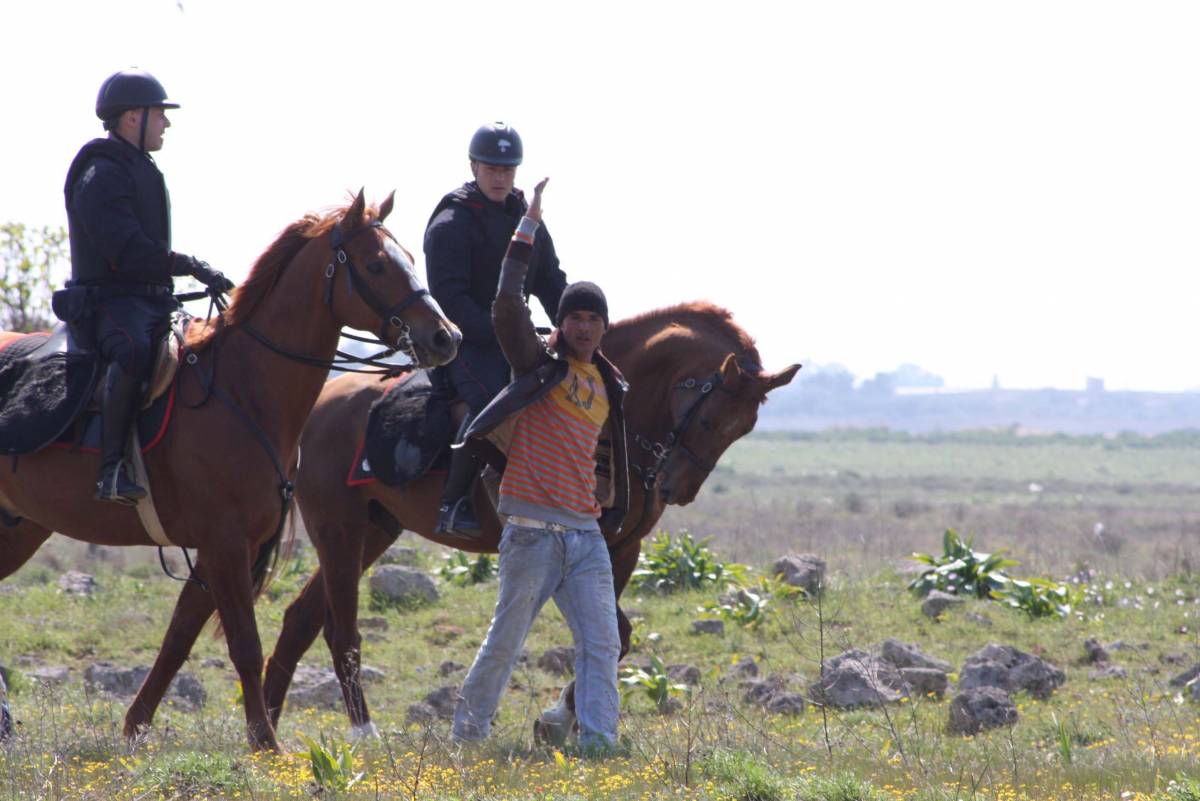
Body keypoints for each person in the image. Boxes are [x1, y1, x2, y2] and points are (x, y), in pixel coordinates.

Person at [451, 178, 629, 751]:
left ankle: (598, 746)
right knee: (506, 641)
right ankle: (467, 737)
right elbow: (506, 306)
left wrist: (607, 493)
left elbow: (607, 454)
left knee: (602, 644)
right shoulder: (537, 365)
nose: (582, 326)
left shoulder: (608, 385)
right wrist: (526, 229)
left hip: (584, 537)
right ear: (561, 324)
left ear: (603, 328)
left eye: (592, 319)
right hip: (529, 532)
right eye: (573, 317)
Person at [63, 68, 234, 504]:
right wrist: (189, 265)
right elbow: (127, 250)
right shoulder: (99, 172)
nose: (167, 123)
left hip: (148, 301)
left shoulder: (139, 167)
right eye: (160, 114)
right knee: (135, 351)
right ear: (132, 118)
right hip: (110, 306)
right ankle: (112, 469)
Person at [424, 122, 568, 536]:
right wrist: (506, 333)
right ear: (474, 167)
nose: (501, 176)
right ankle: (453, 503)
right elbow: (450, 304)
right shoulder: (451, 222)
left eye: (508, 169)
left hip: (514, 340)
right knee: (495, 402)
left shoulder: (527, 218)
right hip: (464, 347)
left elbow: (550, 280)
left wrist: (575, 324)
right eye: (492, 168)